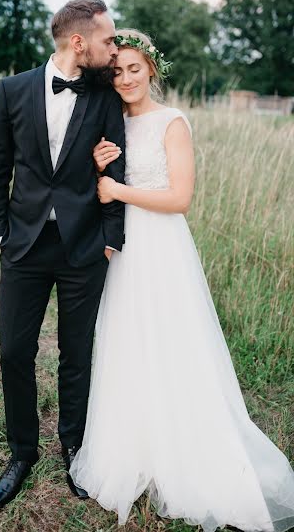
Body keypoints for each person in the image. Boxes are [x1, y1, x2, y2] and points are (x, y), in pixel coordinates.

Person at [69, 29, 294, 531]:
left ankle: (185, 449)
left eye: (134, 68)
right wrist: (96, 172)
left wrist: (117, 189)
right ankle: (133, 446)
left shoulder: (172, 122)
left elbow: (179, 198)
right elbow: (95, 189)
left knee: (170, 343)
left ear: (152, 68)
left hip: (162, 247)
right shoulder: (109, 121)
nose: (126, 78)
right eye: (117, 70)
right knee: (126, 342)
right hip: (121, 248)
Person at [0, 0, 126, 509]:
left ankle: (75, 448)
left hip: (84, 245)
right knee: (14, 352)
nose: (115, 47)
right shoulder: (13, 89)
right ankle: (22, 452)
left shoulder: (106, 94)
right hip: (23, 243)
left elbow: (118, 169)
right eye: (108, 39)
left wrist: (112, 236)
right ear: (79, 42)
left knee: (76, 354)